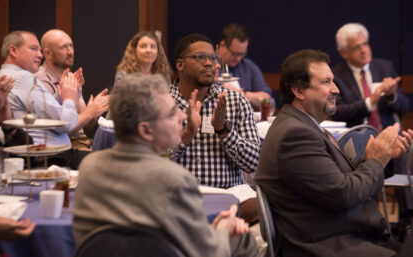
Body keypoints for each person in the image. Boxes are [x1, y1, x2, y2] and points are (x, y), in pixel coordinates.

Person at [72, 73, 261, 257]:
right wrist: (222, 229)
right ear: (146, 130)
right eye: (172, 112)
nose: (182, 115)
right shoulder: (175, 179)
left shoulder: (90, 167)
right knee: (245, 242)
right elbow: (207, 252)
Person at [254, 49, 413, 257]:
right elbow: (343, 193)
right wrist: (375, 159)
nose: (336, 89)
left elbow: (337, 183)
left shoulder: (304, 126)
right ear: (299, 91)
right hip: (328, 245)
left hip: (345, 234)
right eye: (326, 82)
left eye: (334, 81)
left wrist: (384, 158)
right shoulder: (294, 135)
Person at [170, 33, 261, 225]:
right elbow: (151, 162)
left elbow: (254, 163)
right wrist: (186, 135)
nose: (210, 63)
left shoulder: (235, 101)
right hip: (178, 194)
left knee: (264, 213)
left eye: (213, 58)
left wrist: (224, 131)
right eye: (200, 57)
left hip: (230, 193)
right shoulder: (162, 104)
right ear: (180, 65)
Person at [0, 31, 84, 169]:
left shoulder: (5, 75)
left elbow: (40, 114)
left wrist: (61, 96)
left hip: (35, 158)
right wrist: (69, 99)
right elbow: (66, 124)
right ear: (13, 50)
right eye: (33, 48)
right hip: (48, 160)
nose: (40, 55)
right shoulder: (24, 78)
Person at [36, 29, 109, 144]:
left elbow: (85, 128)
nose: (70, 52)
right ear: (47, 53)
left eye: (71, 46)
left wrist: (95, 112)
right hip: (61, 147)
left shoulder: (71, 78)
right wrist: (89, 112)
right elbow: (59, 131)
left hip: (81, 142)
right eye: (63, 47)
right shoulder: (40, 81)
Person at [332, 23, 409, 130]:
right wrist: (370, 101)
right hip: (356, 137)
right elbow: (337, 113)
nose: (364, 50)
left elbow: (405, 107)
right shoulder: (336, 76)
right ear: (344, 53)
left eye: (365, 44)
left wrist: (391, 95)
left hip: (387, 132)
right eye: (357, 47)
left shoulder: (384, 67)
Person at [217, 23, 272, 109]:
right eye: (235, 53)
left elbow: (266, 98)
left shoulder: (248, 66)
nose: (238, 59)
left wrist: (242, 94)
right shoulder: (209, 66)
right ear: (222, 45)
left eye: (242, 54)